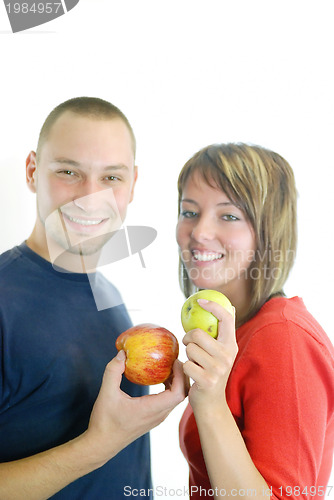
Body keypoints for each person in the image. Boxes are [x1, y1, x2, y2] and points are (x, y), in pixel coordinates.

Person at [0, 96, 185, 499]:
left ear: (132, 184)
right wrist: (98, 446)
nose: (90, 196)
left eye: (111, 178)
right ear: (32, 171)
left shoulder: (109, 295)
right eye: (69, 171)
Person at [176, 143, 334, 499]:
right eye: (189, 212)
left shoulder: (284, 338)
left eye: (228, 215)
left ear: (267, 231)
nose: (199, 232)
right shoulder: (238, 331)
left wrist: (211, 403)